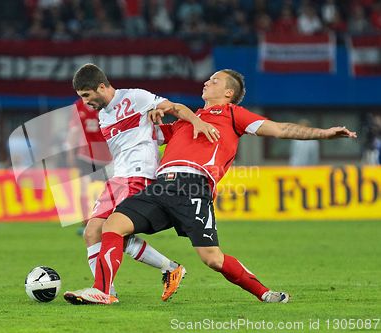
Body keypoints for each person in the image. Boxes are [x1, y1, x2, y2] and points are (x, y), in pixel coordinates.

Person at [64, 69, 357, 305]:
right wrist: (146, 118)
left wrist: (325, 133)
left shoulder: (232, 115)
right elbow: (143, 137)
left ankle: (264, 293)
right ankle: (103, 291)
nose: (207, 81)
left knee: (212, 259)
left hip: (193, 186)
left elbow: (279, 129)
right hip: (160, 185)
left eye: (214, 80)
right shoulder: (186, 121)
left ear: (228, 93)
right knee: (112, 226)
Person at [71, 63, 219, 301]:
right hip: (119, 177)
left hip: (138, 174)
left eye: (87, 96)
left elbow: (174, 108)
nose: (86, 102)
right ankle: (162, 271)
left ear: (101, 86)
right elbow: (146, 136)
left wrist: (197, 122)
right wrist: (155, 125)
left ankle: (102, 290)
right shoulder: (102, 115)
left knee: (113, 230)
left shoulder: (135, 97)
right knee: (92, 232)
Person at [66, 99, 113, 234]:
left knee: (112, 190)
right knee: (84, 187)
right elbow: (74, 130)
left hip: (107, 156)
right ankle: (86, 222)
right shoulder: (78, 106)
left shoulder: (107, 103)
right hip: (86, 155)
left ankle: (111, 220)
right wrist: (70, 152)